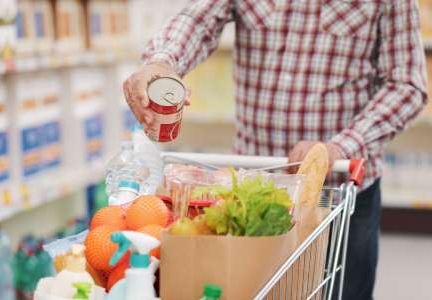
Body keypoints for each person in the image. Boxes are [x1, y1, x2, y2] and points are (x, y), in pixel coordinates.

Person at [123, 1, 428, 299]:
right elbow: (199, 19)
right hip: (251, 194)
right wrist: (163, 62)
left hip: (337, 194)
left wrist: (338, 148)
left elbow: (408, 85)